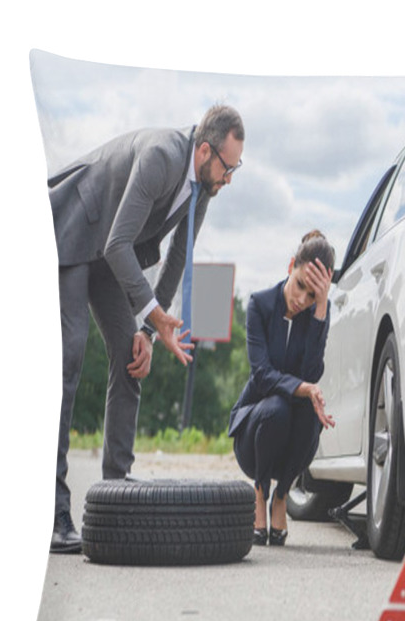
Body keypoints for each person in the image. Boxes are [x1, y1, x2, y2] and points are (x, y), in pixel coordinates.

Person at [48, 104, 245, 552]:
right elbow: (119, 242)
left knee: (131, 355)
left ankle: (116, 490)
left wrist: (153, 331)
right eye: (227, 167)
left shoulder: (205, 186)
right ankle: (53, 510)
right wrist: (152, 311)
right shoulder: (161, 156)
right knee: (70, 355)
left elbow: (178, 256)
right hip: (77, 232)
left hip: (109, 254)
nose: (229, 178)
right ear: (204, 151)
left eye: (236, 169)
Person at [229, 231, 336, 546]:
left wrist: (321, 310)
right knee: (277, 406)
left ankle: (282, 495)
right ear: (292, 265)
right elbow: (262, 375)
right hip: (255, 432)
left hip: (289, 444)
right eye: (301, 285)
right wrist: (304, 387)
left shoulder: (316, 314)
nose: (302, 300)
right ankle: (260, 494)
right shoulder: (259, 305)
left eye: (312, 296)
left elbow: (312, 372)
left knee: (311, 416)